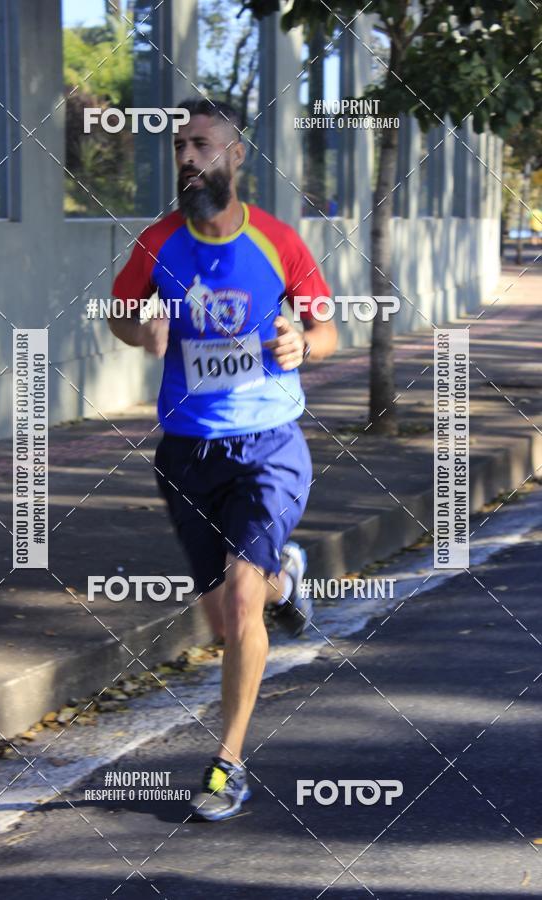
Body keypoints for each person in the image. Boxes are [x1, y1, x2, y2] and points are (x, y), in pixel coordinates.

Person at [110, 97, 338, 821]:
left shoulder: (278, 242)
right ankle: (285, 577)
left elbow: (326, 330)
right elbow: (118, 311)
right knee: (224, 618)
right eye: (180, 145)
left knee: (240, 601)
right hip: (186, 453)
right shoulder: (157, 243)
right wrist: (137, 329)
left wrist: (304, 346)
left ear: (236, 156)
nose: (186, 158)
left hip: (269, 445)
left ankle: (227, 764)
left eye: (201, 144)